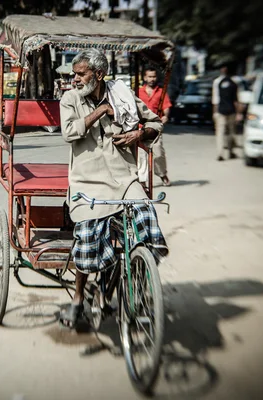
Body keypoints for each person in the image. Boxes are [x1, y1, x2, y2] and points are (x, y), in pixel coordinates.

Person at [59, 48, 168, 329]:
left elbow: (155, 123)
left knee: (147, 219)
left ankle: (138, 280)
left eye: (80, 74)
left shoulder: (124, 95)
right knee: (87, 236)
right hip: (87, 182)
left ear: (98, 74)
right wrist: (102, 110)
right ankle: (78, 298)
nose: (75, 79)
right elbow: (69, 132)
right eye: (74, 74)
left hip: (123, 180)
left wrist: (139, 133)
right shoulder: (70, 99)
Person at [137, 66, 173, 186]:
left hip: (155, 125)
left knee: (158, 153)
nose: (152, 79)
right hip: (140, 127)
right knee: (141, 154)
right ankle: (142, 180)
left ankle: (162, 174)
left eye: (154, 76)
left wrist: (165, 116)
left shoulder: (161, 92)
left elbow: (166, 107)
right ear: (145, 77)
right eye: (149, 76)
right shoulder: (138, 92)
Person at [212, 61, 243, 161]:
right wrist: (239, 113)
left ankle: (220, 153)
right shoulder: (235, 82)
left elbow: (215, 99)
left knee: (220, 133)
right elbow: (237, 99)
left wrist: (215, 112)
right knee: (231, 132)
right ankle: (230, 152)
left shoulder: (217, 82)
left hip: (220, 110)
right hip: (231, 111)